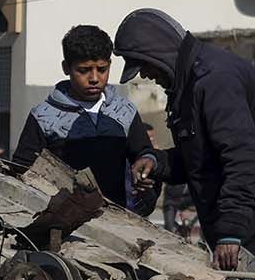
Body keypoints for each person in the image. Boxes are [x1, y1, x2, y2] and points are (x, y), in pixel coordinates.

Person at [114, 8, 255, 271]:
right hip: (252, 218)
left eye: (144, 66)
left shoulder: (213, 80)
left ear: (157, 53)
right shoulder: (190, 82)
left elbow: (243, 161)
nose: (146, 75)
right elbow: (201, 158)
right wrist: (157, 161)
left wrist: (230, 232)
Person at [11, 25, 158, 211]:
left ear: (110, 65)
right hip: (64, 220)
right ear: (66, 68)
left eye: (102, 69)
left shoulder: (124, 111)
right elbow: (22, 168)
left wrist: (145, 171)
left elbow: (144, 153)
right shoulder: (43, 116)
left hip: (118, 219)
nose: (94, 78)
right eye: (84, 70)